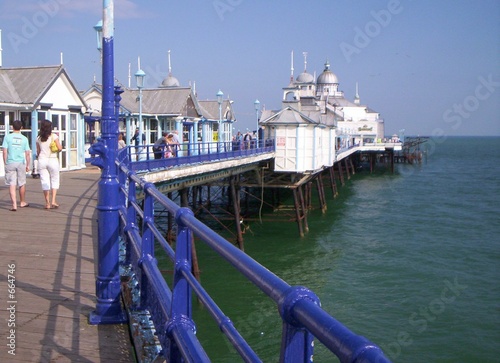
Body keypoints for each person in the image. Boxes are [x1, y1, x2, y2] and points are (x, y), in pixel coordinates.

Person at [2, 120, 31, 211]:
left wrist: (5, 162)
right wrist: (28, 164)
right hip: (20, 162)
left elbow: (5, 151)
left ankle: (14, 205)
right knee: (22, 182)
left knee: (12, 183)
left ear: (12, 127)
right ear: (21, 127)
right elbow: (27, 153)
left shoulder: (7, 137)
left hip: (10, 162)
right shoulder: (24, 139)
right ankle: (22, 202)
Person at [36, 119, 62, 209]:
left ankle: (47, 203)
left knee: (45, 181)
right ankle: (53, 201)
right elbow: (59, 148)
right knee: (54, 179)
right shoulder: (53, 136)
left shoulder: (38, 138)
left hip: (42, 160)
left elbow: (38, 152)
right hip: (52, 159)